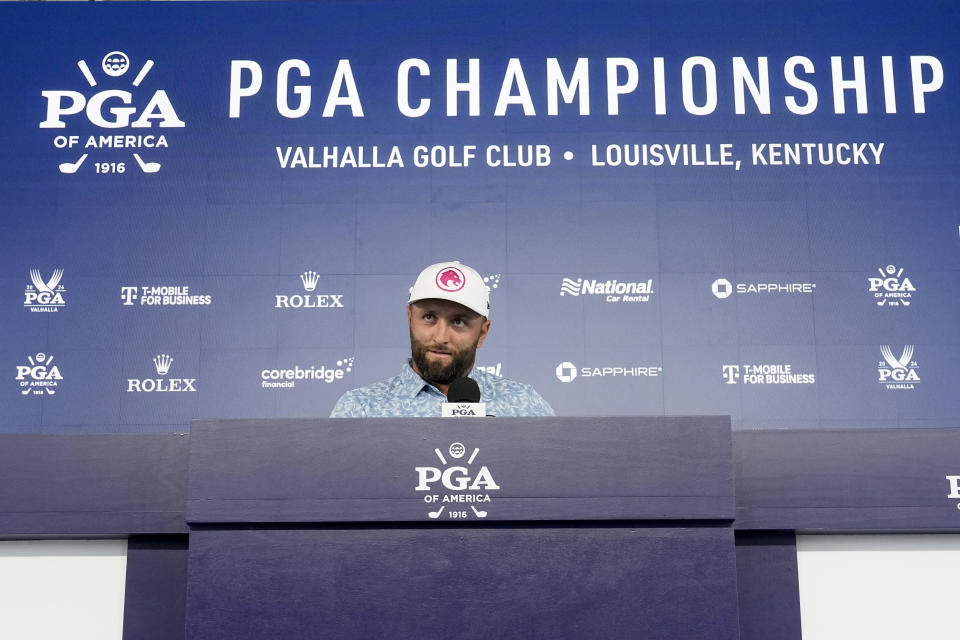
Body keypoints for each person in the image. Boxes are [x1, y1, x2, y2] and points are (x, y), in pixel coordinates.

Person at [330, 261, 555, 417]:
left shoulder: (524, 405)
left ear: (483, 333)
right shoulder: (362, 409)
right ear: (410, 319)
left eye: (458, 322)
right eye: (429, 317)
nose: (440, 337)